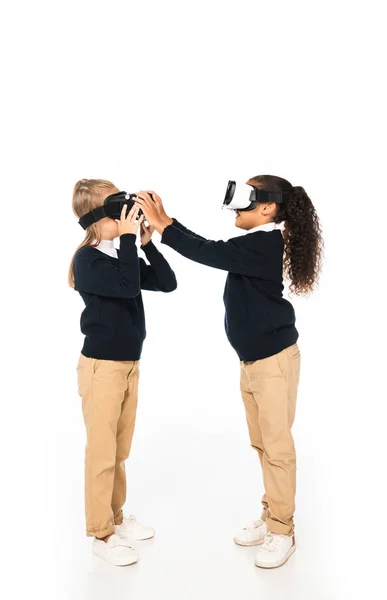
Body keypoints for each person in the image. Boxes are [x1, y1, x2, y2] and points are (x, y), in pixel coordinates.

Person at [134, 176, 323, 569]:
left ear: (268, 208)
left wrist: (166, 223)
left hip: (272, 363)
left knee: (277, 448)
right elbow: (211, 249)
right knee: (262, 443)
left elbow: (208, 251)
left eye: (245, 202)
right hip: (254, 361)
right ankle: (272, 513)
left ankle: (283, 530)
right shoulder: (258, 244)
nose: (236, 210)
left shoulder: (266, 243)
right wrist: (166, 226)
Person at [69, 179, 177, 566]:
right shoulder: (89, 260)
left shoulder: (120, 255)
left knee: (119, 450)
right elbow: (129, 287)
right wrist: (130, 241)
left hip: (129, 365)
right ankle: (101, 533)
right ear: (97, 216)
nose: (126, 212)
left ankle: (115, 516)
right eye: (117, 206)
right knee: (101, 453)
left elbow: (167, 283)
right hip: (102, 369)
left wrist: (145, 241)